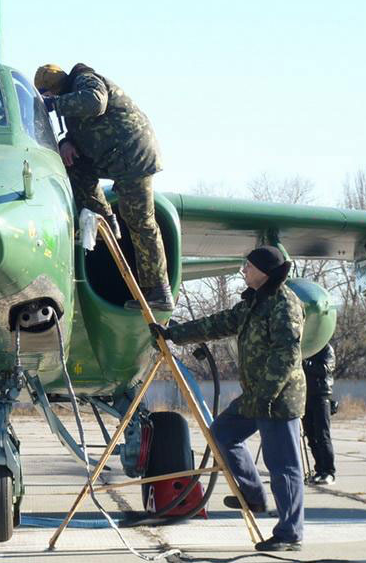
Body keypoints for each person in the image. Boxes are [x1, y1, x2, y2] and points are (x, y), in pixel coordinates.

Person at [151, 246, 306, 552]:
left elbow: (287, 354)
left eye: (247, 266)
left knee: (283, 466)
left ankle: (290, 533)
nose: (243, 271)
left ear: (264, 270)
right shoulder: (254, 303)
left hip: (278, 398)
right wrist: (172, 334)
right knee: (223, 432)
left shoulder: (284, 304)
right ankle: (253, 495)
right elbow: (218, 323)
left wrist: (266, 396)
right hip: (256, 395)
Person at [33, 64, 173, 311]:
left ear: (55, 91)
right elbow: (83, 128)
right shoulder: (71, 98)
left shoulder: (86, 81)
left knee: (140, 221)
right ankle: (105, 220)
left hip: (133, 157)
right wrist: (66, 142)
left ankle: (159, 291)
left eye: (50, 96)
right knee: (74, 167)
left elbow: (96, 102)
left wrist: (55, 104)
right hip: (111, 157)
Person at [302, 343, 336, 485]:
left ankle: (329, 472)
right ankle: (319, 470)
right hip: (305, 396)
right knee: (311, 436)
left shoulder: (326, 349)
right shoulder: (304, 349)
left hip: (321, 395)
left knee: (322, 435)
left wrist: (304, 363)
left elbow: (325, 369)